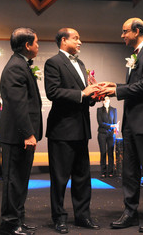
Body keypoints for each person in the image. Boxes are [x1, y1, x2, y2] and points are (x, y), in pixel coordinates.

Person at [98, 18, 143, 233]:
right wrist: (116, 85)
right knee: (129, 170)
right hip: (131, 122)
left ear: (137, 31)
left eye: (125, 31)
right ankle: (130, 212)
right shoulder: (137, 54)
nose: (122, 35)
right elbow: (134, 85)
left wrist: (117, 91)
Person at [44, 28, 100, 234]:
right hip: (62, 129)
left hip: (81, 129)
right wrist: (82, 93)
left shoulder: (81, 64)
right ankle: (59, 218)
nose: (80, 42)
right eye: (76, 38)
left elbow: (83, 96)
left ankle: (83, 216)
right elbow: (53, 92)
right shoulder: (53, 62)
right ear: (63, 40)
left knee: (83, 176)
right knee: (60, 178)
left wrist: (93, 96)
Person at [0, 27, 43, 235]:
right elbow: (18, 105)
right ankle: (9, 225)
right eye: (36, 42)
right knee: (13, 182)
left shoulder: (19, 64)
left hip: (20, 136)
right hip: (17, 137)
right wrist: (28, 133)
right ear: (27, 45)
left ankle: (18, 220)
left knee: (20, 182)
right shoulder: (16, 67)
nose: (38, 46)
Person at [97, 96, 117, 178]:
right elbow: (100, 123)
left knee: (111, 153)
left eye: (107, 99)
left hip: (111, 134)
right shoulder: (99, 110)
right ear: (102, 101)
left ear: (109, 100)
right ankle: (103, 172)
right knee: (103, 152)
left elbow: (115, 123)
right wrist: (111, 125)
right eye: (104, 99)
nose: (106, 100)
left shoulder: (114, 110)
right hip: (102, 134)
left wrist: (114, 127)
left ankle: (110, 171)